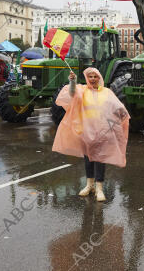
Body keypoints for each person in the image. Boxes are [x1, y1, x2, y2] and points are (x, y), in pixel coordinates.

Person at [53, 67, 130, 202]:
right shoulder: (82, 91)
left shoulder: (107, 92)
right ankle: (89, 185)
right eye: (90, 77)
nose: (93, 79)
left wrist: (113, 124)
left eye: (95, 76)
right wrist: (72, 81)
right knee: (88, 158)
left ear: (99, 78)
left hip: (102, 132)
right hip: (85, 131)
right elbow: (71, 94)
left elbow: (119, 109)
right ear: (87, 79)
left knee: (100, 158)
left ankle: (99, 187)